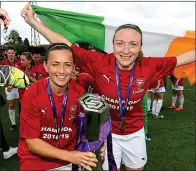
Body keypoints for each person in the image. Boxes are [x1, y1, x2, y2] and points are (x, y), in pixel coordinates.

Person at [21, 3, 195, 171]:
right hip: (108, 133)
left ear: (141, 47)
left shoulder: (150, 66)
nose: (126, 50)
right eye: (120, 43)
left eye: (133, 44)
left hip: (135, 133)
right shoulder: (100, 63)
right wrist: (32, 21)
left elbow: (184, 58)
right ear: (113, 45)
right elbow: (66, 45)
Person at [17, 43, 101, 171]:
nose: (61, 71)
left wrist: (102, 142)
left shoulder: (79, 92)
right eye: (55, 64)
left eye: (67, 65)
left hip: (69, 158)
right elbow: (32, 142)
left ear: (73, 67)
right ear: (46, 66)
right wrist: (70, 156)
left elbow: (89, 126)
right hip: (35, 160)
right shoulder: (32, 94)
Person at [0, 46, 21, 132]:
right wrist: (7, 85)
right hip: (9, 88)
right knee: (11, 105)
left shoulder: (19, 62)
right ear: (6, 54)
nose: (11, 54)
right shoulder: (2, 63)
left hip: (19, 87)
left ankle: (24, 123)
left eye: (12, 53)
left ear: (15, 53)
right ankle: (14, 124)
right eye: (9, 53)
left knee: (22, 105)